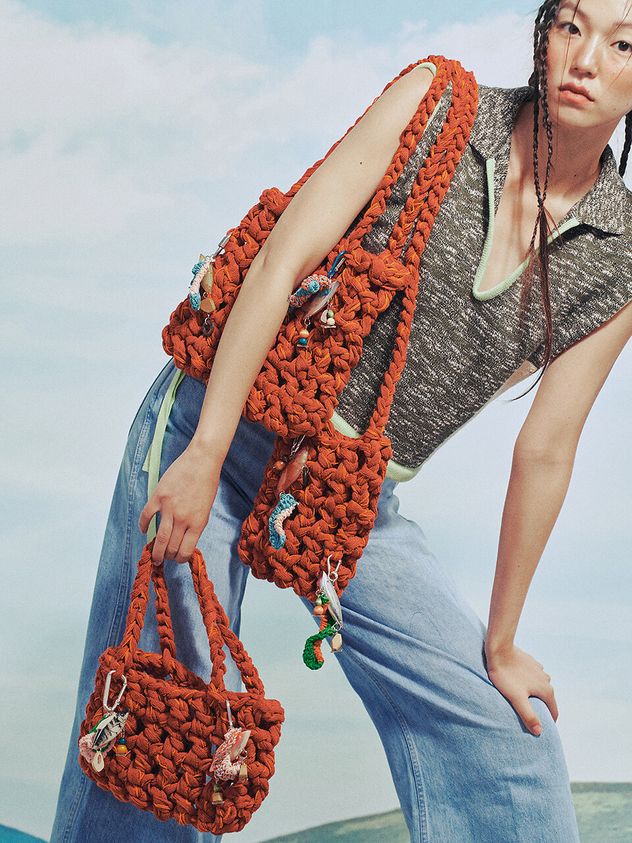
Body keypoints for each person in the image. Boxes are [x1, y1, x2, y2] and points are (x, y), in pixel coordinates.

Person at [50, 1, 632, 841]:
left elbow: (547, 448)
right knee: (170, 720)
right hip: (218, 429)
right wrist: (206, 450)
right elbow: (285, 255)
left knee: (512, 740)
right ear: (542, 31)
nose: (585, 60)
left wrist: (502, 641)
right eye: (571, 26)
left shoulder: (617, 256)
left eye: (622, 45)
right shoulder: (441, 102)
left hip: (345, 500)